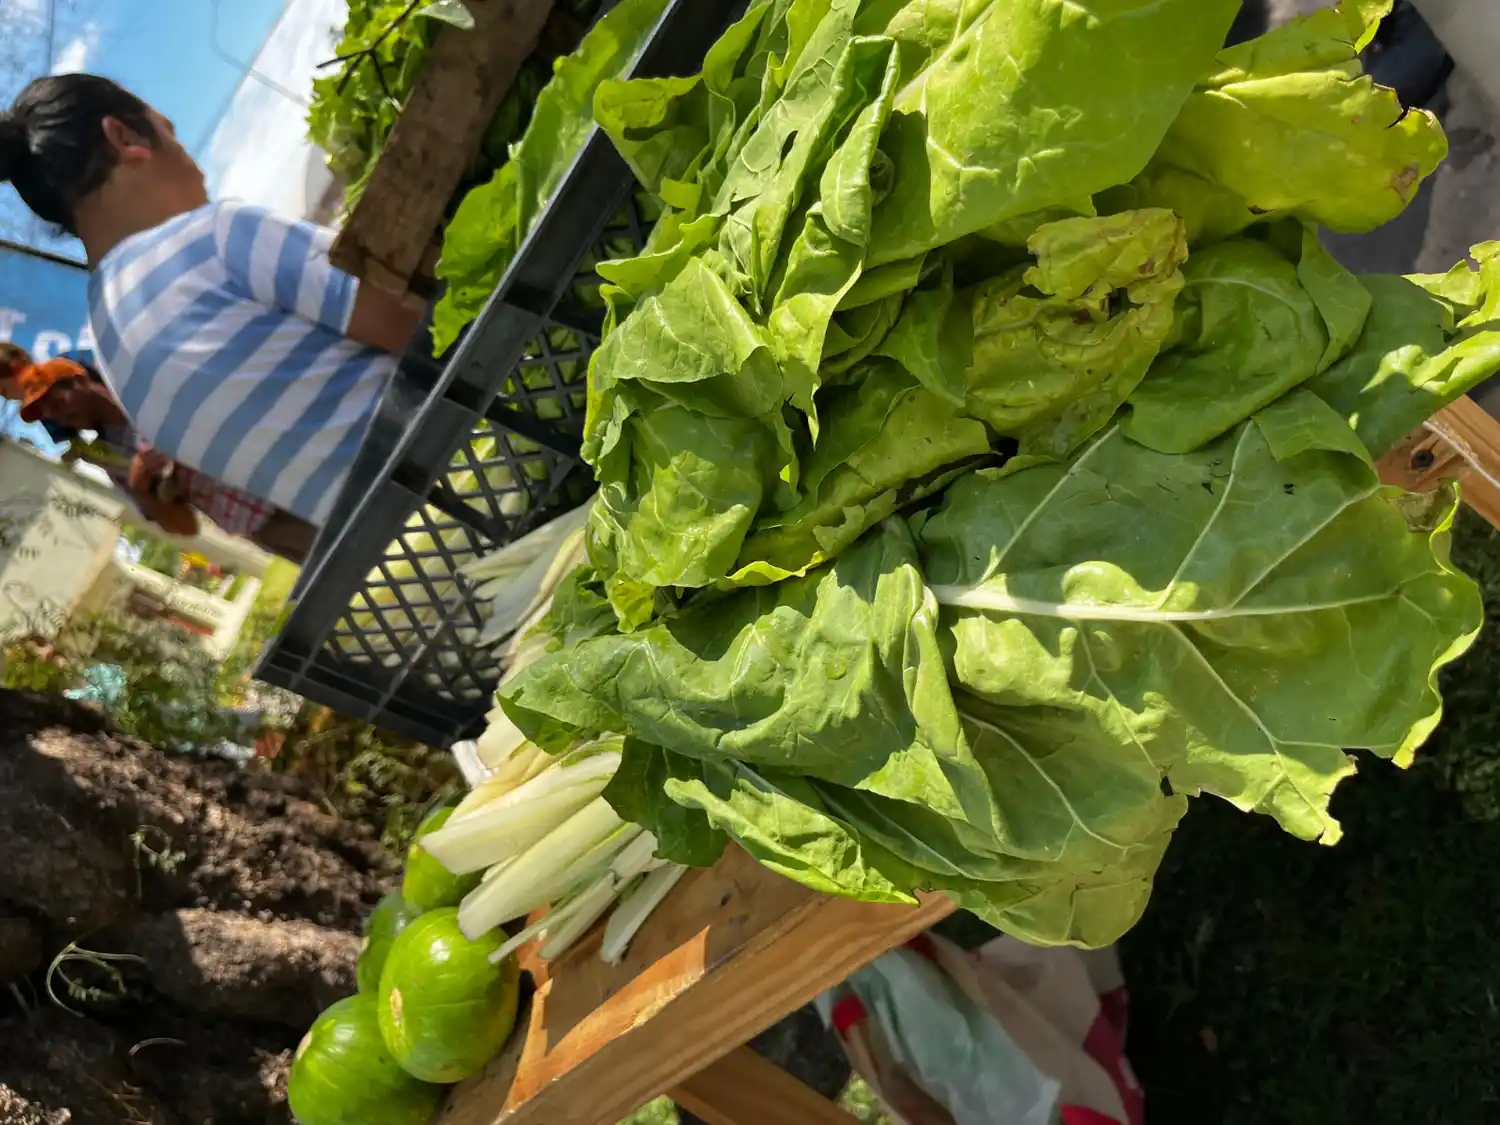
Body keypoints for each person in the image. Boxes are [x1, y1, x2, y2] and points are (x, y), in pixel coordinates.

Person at [0, 74, 420, 535]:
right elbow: (421, 327)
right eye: (168, 129)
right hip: (458, 461)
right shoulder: (213, 238)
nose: (193, 162)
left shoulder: (113, 357)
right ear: (124, 137)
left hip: (399, 538)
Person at [0, 346, 316, 561]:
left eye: (57, 405)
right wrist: (144, 490)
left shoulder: (151, 391)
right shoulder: (114, 460)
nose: (60, 418)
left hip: (285, 475)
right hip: (263, 526)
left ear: (80, 380)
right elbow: (186, 528)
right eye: (51, 418)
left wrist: (174, 448)